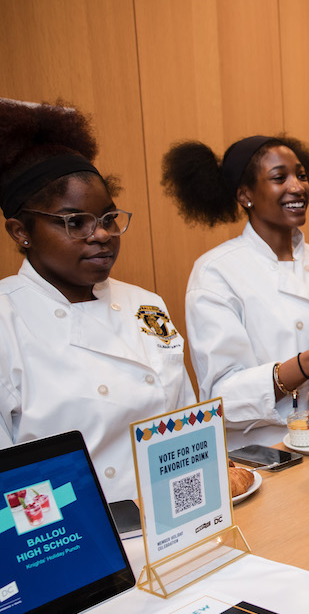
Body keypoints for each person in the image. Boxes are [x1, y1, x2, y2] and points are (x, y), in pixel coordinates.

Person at [0, 99, 196, 502]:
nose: (102, 234)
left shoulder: (146, 305)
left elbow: (188, 424)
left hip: (176, 521)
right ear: (21, 231)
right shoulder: (6, 320)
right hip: (68, 544)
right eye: (76, 222)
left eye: (108, 218)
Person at [162, 135, 309, 449]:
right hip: (266, 453)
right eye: (279, 178)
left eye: (301, 175)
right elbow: (221, 398)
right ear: (245, 195)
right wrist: (306, 364)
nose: (297, 187)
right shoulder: (216, 272)